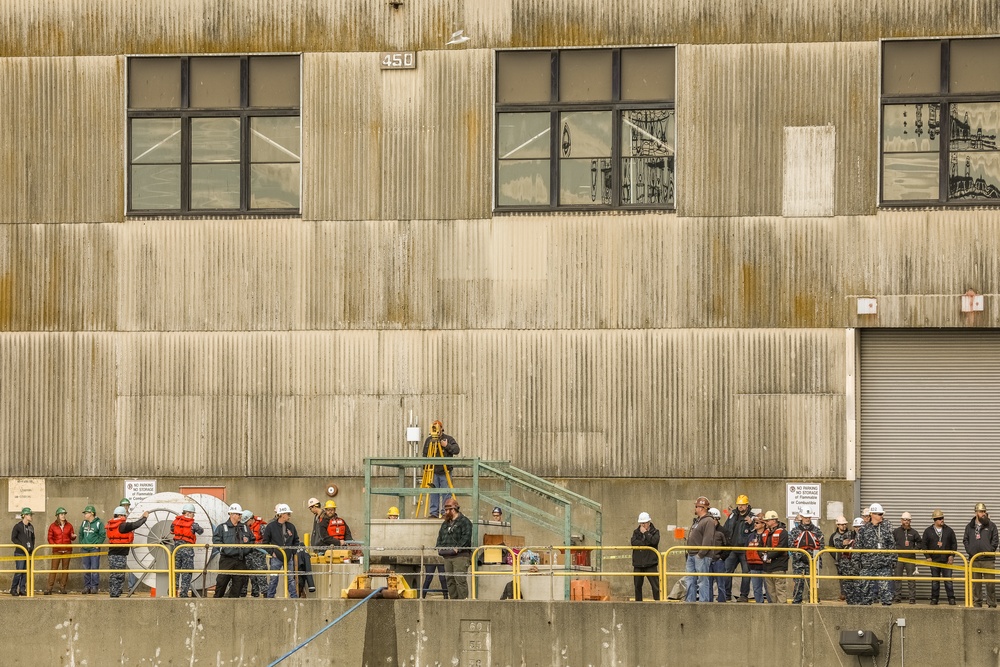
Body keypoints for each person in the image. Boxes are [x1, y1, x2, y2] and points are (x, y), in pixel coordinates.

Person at [855, 502, 895, 605]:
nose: (882, 516)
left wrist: (892, 561)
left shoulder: (886, 528)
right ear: (872, 514)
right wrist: (856, 563)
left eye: (882, 514)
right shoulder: (863, 530)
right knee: (865, 593)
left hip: (883, 565)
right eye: (879, 514)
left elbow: (892, 546)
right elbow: (858, 547)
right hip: (867, 566)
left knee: (886, 594)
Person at [106, 505, 149, 598]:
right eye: (125, 516)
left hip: (112, 554)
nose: (125, 518)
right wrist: (144, 517)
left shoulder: (111, 525)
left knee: (113, 575)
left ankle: (113, 592)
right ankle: (115, 594)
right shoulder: (123, 526)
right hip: (120, 555)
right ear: (121, 516)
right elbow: (135, 525)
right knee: (119, 575)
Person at [435, 497, 472, 599]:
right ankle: (453, 601)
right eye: (445, 510)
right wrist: (440, 547)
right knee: (449, 580)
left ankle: (462, 603)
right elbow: (440, 537)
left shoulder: (465, 522)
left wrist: (458, 548)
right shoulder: (445, 524)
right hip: (447, 556)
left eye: (448, 510)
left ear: (454, 509)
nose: (446, 512)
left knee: (460, 580)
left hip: (461, 556)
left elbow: (466, 537)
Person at [212, 503, 252, 598]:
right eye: (238, 514)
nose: (240, 516)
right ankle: (217, 601)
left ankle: (233, 603)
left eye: (240, 514)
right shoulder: (222, 528)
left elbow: (252, 540)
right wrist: (225, 549)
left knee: (238, 583)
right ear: (232, 514)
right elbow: (216, 541)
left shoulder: (245, 528)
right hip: (227, 559)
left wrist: (246, 551)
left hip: (240, 559)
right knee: (222, 581)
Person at [422, 420, 460, 518]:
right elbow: (425, 454)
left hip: (445, 471)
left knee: (446, 492)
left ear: (441, 429)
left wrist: (446, 446)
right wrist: (425, 469)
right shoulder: (429, 440)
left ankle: (445, 512)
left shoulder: (448, 439)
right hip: (432, 471)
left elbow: (456, 450)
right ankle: (433, 513)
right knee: (433, 492)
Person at [964, 502, 999, 608]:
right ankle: (977, 603)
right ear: (976, 513)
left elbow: (995, 540)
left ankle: (991, 603)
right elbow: (965, 540)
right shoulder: (970, 527)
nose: (983, 513)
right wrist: (970, 551)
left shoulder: (991, 526)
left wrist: (990, 550)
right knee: (976, 584)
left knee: (990, 583)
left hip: (988, 560)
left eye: (984, 511)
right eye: (981, 511)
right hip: (975, 559)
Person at [262, 503, 300, 598]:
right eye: (288, 514)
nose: (289, 516)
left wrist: (292, 552)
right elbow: (265, 543)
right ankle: (270, 597)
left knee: (290, 578)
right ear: (282, 514)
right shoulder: (271, 527)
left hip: (288, 557)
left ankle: (293, 597)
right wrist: (272, 552)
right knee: (274, 578)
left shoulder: (291, 527)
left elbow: (296, 540)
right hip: (276, 558)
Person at [721, 494, 754, 602]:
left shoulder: (752, 517)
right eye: (739, 505)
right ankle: (727, 595)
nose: (741, 507)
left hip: (745, 550)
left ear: (747, 505)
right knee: (727, 571)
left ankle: (743, 596)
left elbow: (757, 531)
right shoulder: (732, 516)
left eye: (743, 505)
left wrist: (751, 524)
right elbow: (725, 529)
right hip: (732, 549)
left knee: (746, 573)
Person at [788, 506, 824, 604]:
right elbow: (791, 546)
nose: (807, 519)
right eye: (805, 517)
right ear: (801, 517)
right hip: (799, 563)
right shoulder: (795, 531)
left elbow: (821, 546)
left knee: (813, 584)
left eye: (809, 517)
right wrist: (801, 556)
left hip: (813, 563)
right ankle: (796, 601)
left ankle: (813, 601)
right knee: (798, 583)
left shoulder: (817, 531)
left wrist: (812, 557)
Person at [922, 508, 958, 605]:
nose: (942, 520)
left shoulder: (949, 531)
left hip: (946, 560)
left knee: (948, 581)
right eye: (939, 518)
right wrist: (927, 556)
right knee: (935, 581)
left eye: (942, 518)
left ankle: (951, 598)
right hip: (934, 560)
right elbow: (924, 545)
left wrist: (951, 556)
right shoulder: (928, 531)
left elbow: (954, 544)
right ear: (935, 520)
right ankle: (934, 599)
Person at [684, 496, 715, 603]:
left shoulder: (708, 521)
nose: (695, 509)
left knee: (702, 581)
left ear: (701, 508)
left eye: (696, 506)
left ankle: (703, 603)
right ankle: (690, 601)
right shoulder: (698, 521)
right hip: (692, 554)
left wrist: (701, 554)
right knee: (690, 580)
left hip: (701, 556)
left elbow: (708, 539)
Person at [171, 503, 204, 598]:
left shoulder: (175, 522)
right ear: (189, 513)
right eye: (193, 513)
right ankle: (183, 593)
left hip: (176, 549)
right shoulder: (193, 525)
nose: (193, 515)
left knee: (175, 571)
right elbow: (201, 531)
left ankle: (173, 592)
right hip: (187, 550)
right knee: (187, 572)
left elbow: (171, 530)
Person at [44, 507, 76, 595]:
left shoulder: (69, 525)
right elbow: (49, 537)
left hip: (67, 550)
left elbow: (71, 537)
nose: (63, 516)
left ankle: (62, 587)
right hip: (57, 550)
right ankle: (49, 588)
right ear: (57, 516)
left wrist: (73, 536)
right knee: (54, 569)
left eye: (64, 514)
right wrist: (53, 545)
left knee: (65, 569)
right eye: (61, 514)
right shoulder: (52, 526)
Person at [892, 511, 922, 604]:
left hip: (910, 559)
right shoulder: (896, 532)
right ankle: (897, 597)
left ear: (910, 521)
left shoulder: (914, 532)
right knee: (897, 578)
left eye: (908, 520)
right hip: (898, 559)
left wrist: (914, 549)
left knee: (911, 579)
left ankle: (912, 598)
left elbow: (920, 542)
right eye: (905, 520)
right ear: (901, 520)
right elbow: (891, 543)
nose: (906, 522)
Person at [760, 510, 789, 604]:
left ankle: (782, 613)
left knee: (780, 591)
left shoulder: (783, 533)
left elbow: (781, 548)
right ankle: (775, 613)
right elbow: (759, 547)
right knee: (771, 592)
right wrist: (763, 556)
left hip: (779, 566)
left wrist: (768, 556)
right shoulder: (765, 533)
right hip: (767, 567)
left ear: (773, 521)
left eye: (767, 521)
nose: (766, 523)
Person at [630, 511, 660, 602]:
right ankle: (638, 603)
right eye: (641, 523)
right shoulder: (636, 532)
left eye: (644, 523)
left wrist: (646, 533)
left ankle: (658, 602)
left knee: (656, 586)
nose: (642, 525)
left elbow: (654, 541)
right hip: (638, 564)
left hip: (651, 564)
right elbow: (634, 543)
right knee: (637, 586)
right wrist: (646, 543)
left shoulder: (655, 532)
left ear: (649, 523)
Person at [744, 514, 771, 603]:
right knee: (756, 588)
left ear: (763, 524)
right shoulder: (751, 536)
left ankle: (771, 605)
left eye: (757, 523)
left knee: (769, 589)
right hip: (753, 565)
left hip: (764, 566)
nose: (755, 524)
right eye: (755, 522)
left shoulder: (767, 535)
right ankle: (759, 605)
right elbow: (746, 550)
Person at [79, 505, 105, 595]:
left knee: (94, 568)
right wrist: (82, 543)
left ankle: (94, 586)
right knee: (86, 568)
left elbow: (102, 535)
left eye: (86, 513)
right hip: (85, 549)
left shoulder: (98, 523)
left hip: (94, 549)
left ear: (91, 514)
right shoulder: (83, 523)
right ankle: (87, 586)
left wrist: (98, 544)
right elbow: (80, 534)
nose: (85, 515)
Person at [10, 508, 34, 597]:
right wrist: (21, 545)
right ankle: (13, 589)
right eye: (29, 515)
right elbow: (13, 538)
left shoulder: (31, 527)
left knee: (26, 572)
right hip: (20, 552)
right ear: (24, 515)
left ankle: (22, 589)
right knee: (19, 571)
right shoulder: (18, 526)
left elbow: (32, 538)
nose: (31, 517)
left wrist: (31, 548)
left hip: (28, 553)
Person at [830, 516, 853, 602]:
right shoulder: (834, 536)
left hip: (850, 560)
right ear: (838, 525)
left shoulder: (851, 534)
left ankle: (850, 594)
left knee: (851, 577)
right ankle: (843, 594)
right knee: (842, 578)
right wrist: (836, 556)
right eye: (841, 524)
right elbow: (830, 548)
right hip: (839, 561)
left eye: (845, 524)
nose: (843, 526)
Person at [842, 518, 864, 605]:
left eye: (860, 527)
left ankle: (859, 603)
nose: (858, 529)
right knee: (848, 585)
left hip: (860, 565)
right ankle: (850, 602)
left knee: (859, 586)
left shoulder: (866, 536)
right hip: (847, 565)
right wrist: (843, 543)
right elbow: (837, 543)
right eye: (856, 527)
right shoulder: (848, 534)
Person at [708, 508, 729, 601]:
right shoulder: (706, 531)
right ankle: (708, 602)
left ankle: (722, 601)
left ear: (716, 519)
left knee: (721, 583)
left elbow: (728, 546)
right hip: (708, 560)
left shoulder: (723, 531)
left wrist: (722, 557)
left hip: (718, 561)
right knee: (708, 584)